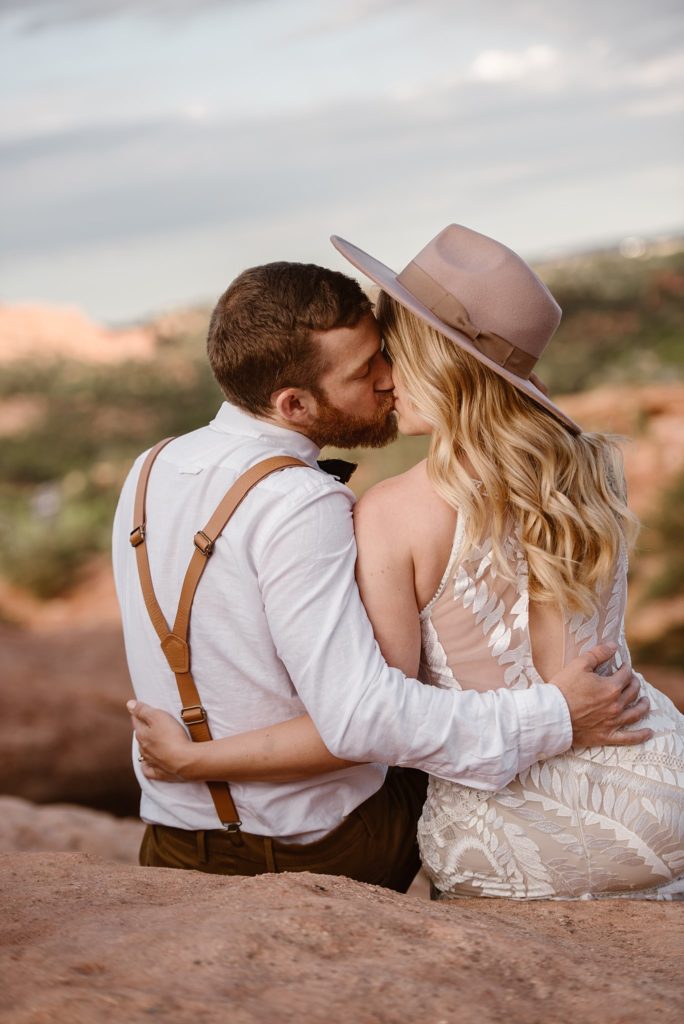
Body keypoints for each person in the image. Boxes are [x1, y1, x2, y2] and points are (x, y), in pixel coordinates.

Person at [117, 249, 651, 893]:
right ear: (293, 404)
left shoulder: (150, 466)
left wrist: (192, 760)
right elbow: (365, 716)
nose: (387, 379)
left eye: (389, 353)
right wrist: (557, 714)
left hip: (171, 835)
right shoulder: (303, 502)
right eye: (367, 367)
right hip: (319, 843)